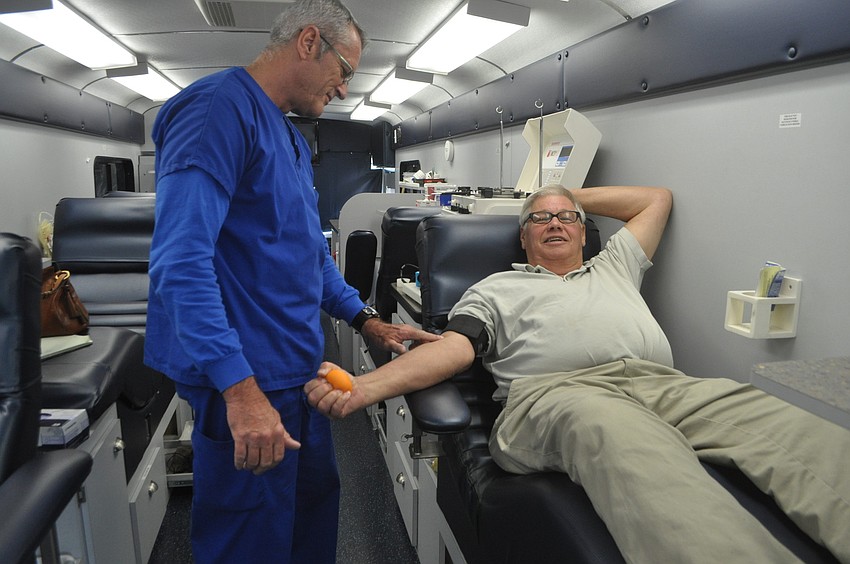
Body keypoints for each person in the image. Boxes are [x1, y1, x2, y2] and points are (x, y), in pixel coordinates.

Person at [306, 184, 850, 563]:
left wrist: (562, 195)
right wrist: (363, 387)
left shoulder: (616, 264)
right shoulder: (495, 289)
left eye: (566, 218)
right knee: (622, 437)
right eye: (538, 220)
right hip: (556, 398)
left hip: (662, 385)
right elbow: (453, 350)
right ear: (523, 239)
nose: (555, 224)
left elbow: (655, 199)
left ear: (586, 233)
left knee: (780, 423)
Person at [145, 1, 438, 562]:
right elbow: (180, 264)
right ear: (309, 42)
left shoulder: (291, 141)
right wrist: (240, 391)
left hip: (298, 373)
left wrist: (365, 319)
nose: (346, 91)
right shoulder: (217, 112)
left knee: (308, 524)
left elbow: (307, 255)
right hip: (249, 378)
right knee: (249, 541)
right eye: (345, 71)